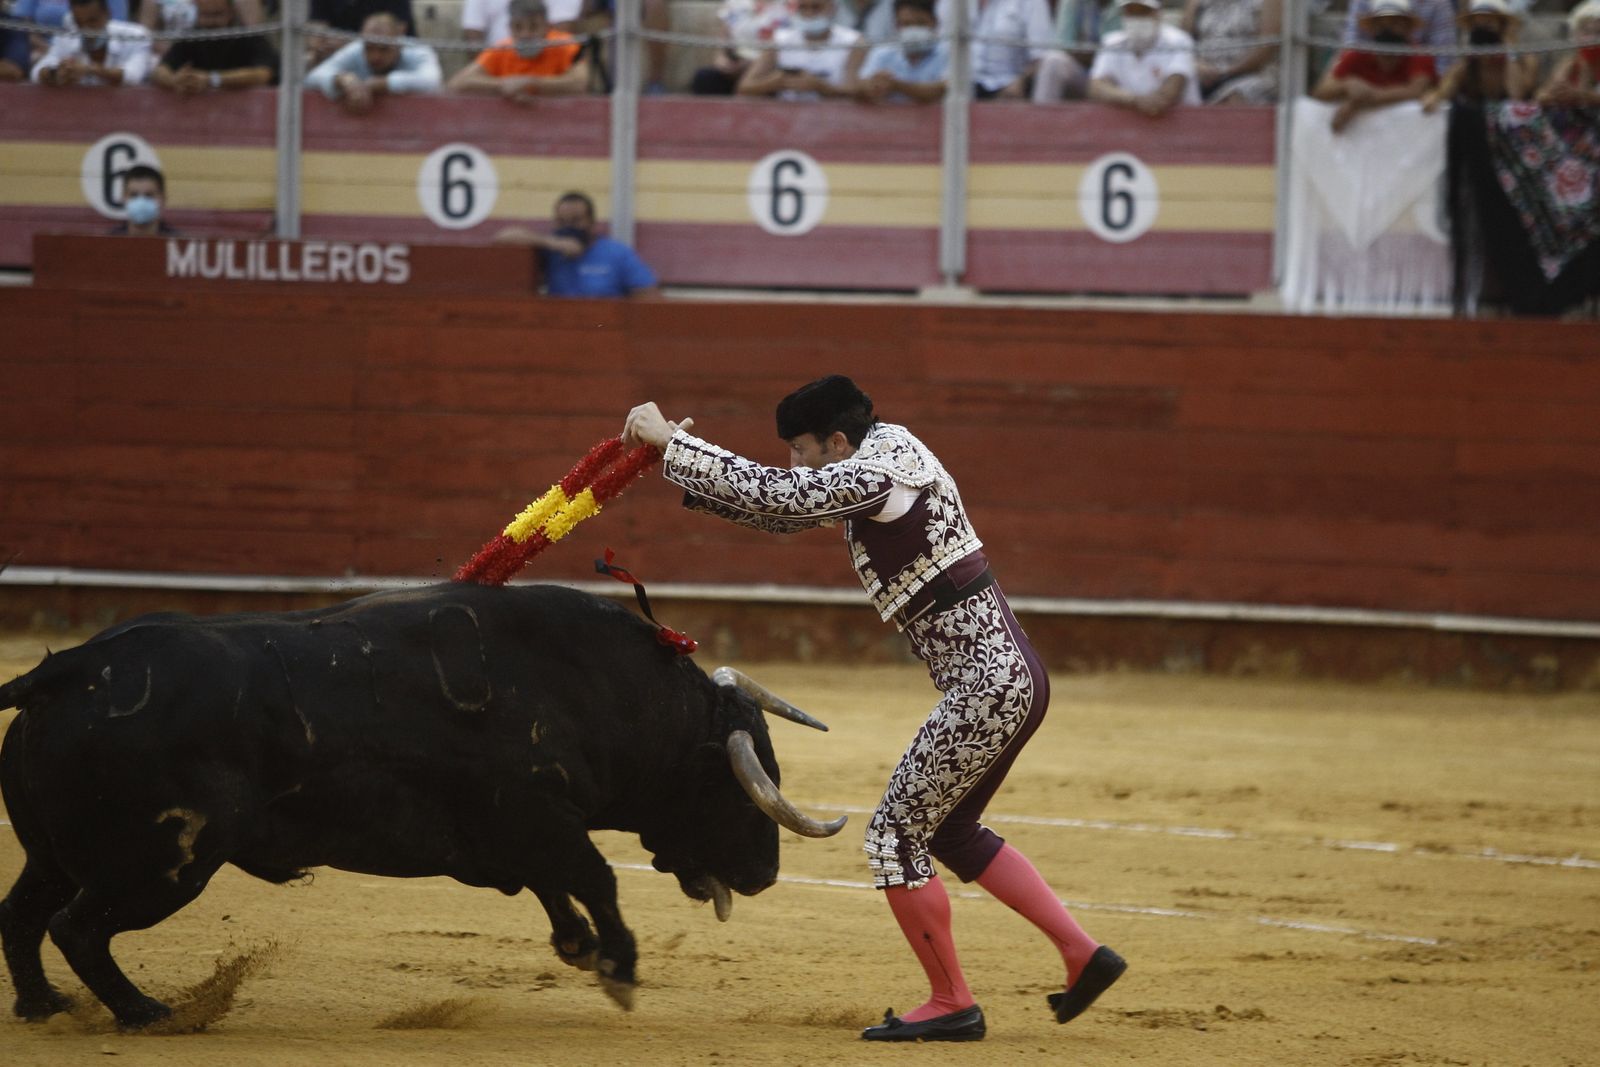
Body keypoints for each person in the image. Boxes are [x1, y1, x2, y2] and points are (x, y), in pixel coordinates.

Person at [620, 377, 1126, 1043]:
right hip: (1006, 677)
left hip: (987, 684)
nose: (797, 463)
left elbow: (785, 495)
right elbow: (783, 512)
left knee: (894, 834)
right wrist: (672, 464)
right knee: (948, 830)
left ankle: (952, 1000)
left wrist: (676, 443)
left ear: (836, 439)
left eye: (803, 449)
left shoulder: (883, 467)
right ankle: (1082, 954)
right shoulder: (880, 460)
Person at [493, 191, 660, 298]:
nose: (569, 227)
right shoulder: (550, 250)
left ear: (591, 222)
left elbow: (649, 298)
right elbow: (502, 238)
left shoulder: (617, 254)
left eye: (576, 221)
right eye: (562, 222)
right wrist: (553, 243)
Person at [1312, 0, 1435, 133]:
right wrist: (1346, 85)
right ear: (1371, 29)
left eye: (1394, 23)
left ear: (1408, 28)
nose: (1387, 30)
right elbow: (1320, 92)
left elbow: (1415, 90)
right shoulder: (1357, 55)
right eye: (1380, 24)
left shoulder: (1420, 56)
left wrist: (1355, 103)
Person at [446, 0, 588, 98]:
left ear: (546, 26)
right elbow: (457, 83)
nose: (525, 34)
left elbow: (580, 83)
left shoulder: (565, 45)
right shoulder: (501, 49)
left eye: (534, 27)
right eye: (518, 27)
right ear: (510, 28)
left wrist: (531, 83)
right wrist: (502, 85)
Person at [305, 10, 441, 110]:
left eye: (384, 49)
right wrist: (343, 80)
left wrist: (379, 84)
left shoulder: (417, 50)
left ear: (398, 40)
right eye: (369, 49)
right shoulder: (357, 49)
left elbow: (432, 80)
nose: (376, 56)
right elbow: (312, 77)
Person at [1088, 0, 1201, 115]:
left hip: (1184, 124)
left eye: (1143, 11)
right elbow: (1096, 88)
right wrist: (1134, 99)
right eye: (1131, 12)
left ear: (1158, 13)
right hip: (1127, 125)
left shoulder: (1179, 41)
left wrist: (1121, 96)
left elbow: (1170, 91)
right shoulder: (1111, 43)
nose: (1137, 18)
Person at [1423, 0, 1538, 111]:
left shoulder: (1526, 60)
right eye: (1477, 25)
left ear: (1502, 27)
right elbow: (1443, 90)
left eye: (1488, 23)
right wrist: (1434, 97)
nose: (1482, 31)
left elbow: (1516, 95)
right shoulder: (1467, 64)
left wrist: (1510, 49)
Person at [737, 0, 867, 99]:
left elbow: (855, 92)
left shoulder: (853, 42)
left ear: (832, 8)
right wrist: (776, 82)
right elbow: (745, 87)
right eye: (803, 7)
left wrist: (821, 87)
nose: (809, 13)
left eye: (816, 7)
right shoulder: (780, 40)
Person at [149, 0, 277, 94]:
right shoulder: (192, 37)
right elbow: (160, 71)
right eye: (205, 15)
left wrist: (212, 79)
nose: (210, 22)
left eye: (217, 15)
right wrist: (175, 80)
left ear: (231, 13)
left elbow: (262, 74)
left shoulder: (249, 37)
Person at [974, 0, 1088, 102]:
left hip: (1010, 89)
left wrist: (1020, 82)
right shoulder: (967, 5)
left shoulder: (1031, 3)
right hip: (969, 88)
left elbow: (1042, 56)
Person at [30, 0, 151, 85]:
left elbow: (133, 76)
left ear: (107, 14)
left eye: (92, 21)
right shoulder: (66, 37)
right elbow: (36, 73)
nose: (86, 29)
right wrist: (56, 73)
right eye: (79, 23)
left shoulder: (136, 36)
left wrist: (89, 70)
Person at [1182, 0, 1280, 104]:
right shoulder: (1196, 2)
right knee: (1175, 86)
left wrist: (1224, 72)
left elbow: (1266, 48)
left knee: (1236, 96)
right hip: (1203, 73)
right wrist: (1196, 64)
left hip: (1254, 74)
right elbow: (1183, 41)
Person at [691, 0, 794, 95]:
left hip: (769, 68)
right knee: (705, 78)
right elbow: (724, 36)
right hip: (736, 63)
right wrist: (721, 59)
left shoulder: (789, 6)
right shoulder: (736, 3)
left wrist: (752, 65)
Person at [852, 0, 948, 103]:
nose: (914, 29)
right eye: (907, 24)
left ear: (935, 23)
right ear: (896, 25)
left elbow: (943, 89)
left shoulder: (948, 53)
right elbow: (860, 89)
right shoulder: (882, 53)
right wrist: (873, 85)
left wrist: (896, 85)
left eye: (921, 23)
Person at [305, 0, 415, 64]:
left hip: (389, 61)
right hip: (337, 60)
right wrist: (318, 47)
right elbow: (316, 34)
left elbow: (397, 32)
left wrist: (347, 44)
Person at [1537, 0, 1600, 106]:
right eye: (1586, 31)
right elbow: (1540, 96)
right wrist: (1554, 95)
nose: (1592, 38)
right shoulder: (1569, 63)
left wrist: (1581, 95)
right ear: (1575, 33)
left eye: (1598, 32)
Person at [107, 164, 179, 236]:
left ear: (163, 198)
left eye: (149, 195)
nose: (141, 202)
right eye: (134, 195)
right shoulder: (107, 242)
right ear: (123, 198)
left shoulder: (179, 243)